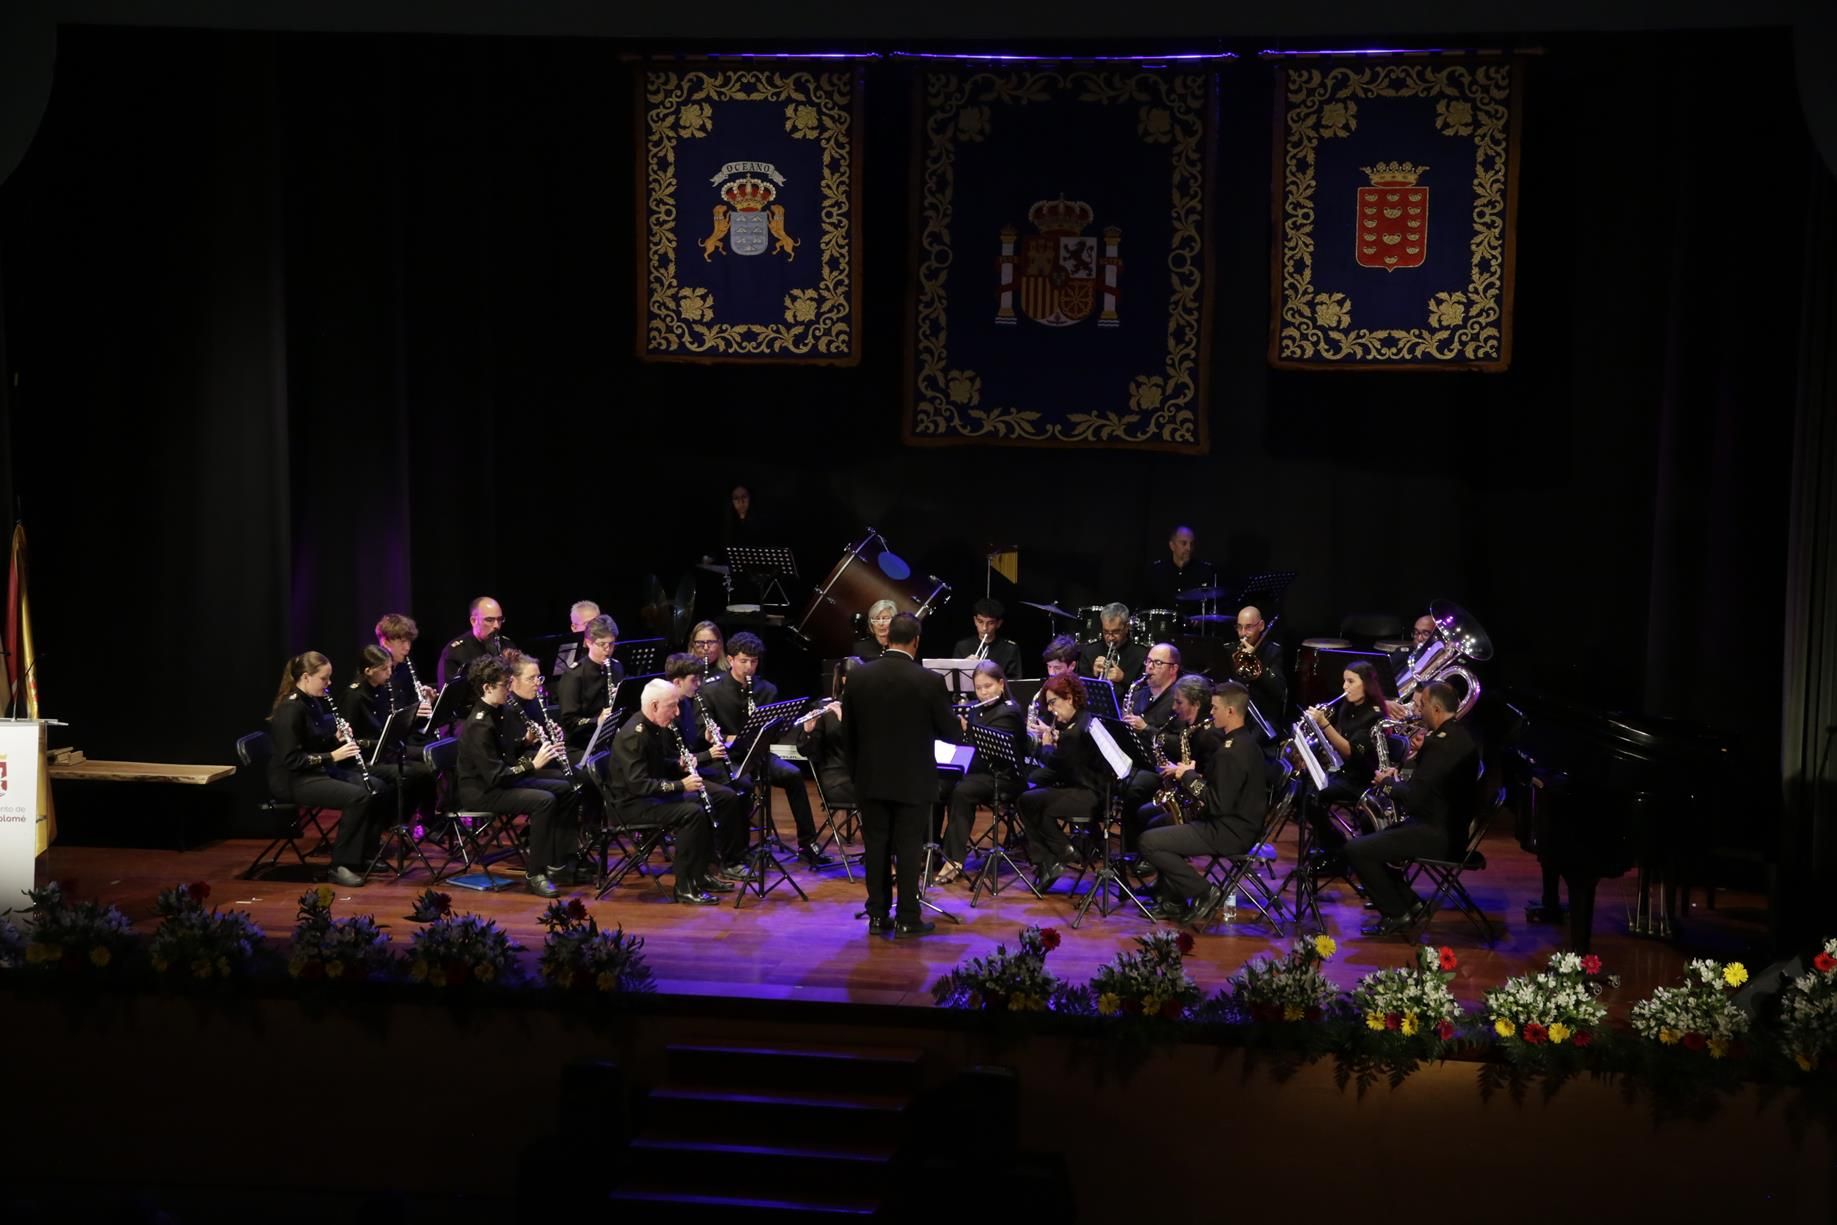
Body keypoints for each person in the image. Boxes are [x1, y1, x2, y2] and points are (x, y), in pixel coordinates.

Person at [842, 611, 958, 937]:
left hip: (870, 779)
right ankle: (908, 917)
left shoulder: (860, 678)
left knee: (876, 847)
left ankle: (877, 915)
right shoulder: (929, 681)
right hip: (913, 780)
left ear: (887, 636)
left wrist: (857, 775)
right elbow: (950, 734)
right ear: (916, 642)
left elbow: (847, 735)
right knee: (908, 848)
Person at [1344, 681, 1480, 936]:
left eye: (1423, 705)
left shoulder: (1441, 746)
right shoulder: (1457, 737)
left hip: (1438, 835)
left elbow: (1414, 800)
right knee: (1371, 833)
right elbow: (1430, 787)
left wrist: (1387, 784)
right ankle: (1411, 903)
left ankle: (1397, 914)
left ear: (1436, 709)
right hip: (1446, 827)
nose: (1419, 711)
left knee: (1356, 849)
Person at [703, 632, 834, 869]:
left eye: (753, 662)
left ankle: (807, 844)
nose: (749, 667)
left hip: (759, 756)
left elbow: (776, 730)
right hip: (728, 758)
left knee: (793, 775)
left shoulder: (767, 689)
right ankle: (739, 852)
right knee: (741, 785)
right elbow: (707, 732)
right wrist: (729, 737)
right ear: (731, 660)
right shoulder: (711, 691)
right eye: (743, 661)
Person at [1139, 681, 1267, 923]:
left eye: (1216, 708)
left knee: (1149, 842)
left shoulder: (1232, 752)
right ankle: (1172, 899)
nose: (1211, 712)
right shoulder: (1242, 742)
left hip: (1229, 831)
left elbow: (1217, 804)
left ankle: (1204, 892)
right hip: (1231, 822)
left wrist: (1188, 776)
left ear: (1230, 711)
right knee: (1160, 823)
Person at [458, 655, 583, 898]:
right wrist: (533, 765)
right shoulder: (478, 725)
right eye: (505, 685)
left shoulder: (498, 712)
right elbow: (495, 776)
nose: (508, 689)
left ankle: (559, 861)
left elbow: (504, 754)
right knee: (543, 800)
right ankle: (535, 873)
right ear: (487, 687)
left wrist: (525, 742)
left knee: (568, 788)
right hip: (481, 792)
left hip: (500, 782)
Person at [269, 651, 392, 888]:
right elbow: (293, 760)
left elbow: (314, 742)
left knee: (377, 787)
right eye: (324, 679)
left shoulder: (312, 701)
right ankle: (340, 866)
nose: (329, 684)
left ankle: (365, 854)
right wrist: (332, 755)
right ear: (306, 677)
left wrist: (335, 738)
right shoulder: (290, 710)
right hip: (292, 780)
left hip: (313, 772)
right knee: (358, 797)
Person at [933, 660, 1027, 886]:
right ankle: (934, 848)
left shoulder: (1010, 711)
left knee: (962, 792)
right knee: (938, 784)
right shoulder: (977, 710)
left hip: (1005, 776)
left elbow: (991, 753)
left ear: (1001, 685)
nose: (983, 693)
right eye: (979, 688)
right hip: (979, 772)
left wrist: (968, 731)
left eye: (988, 686)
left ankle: (954, 859)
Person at [1018, 674, 1109, 893]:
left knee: (1030, 803)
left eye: (1053, 702)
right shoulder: (1084, 719)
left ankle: (1060, 853)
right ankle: (1051, 860)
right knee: (1031, 800)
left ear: (1069, 698)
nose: (1050, 709)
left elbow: (1060, 766)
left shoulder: (1074, 731)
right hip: (1091, 791)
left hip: (1087, 796)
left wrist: (1046, 745)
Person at [664, 652, 751, 874]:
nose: (699, 685)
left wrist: (707, 738)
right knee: (727, 795)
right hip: (675, 776)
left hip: (692, 766)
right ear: (677, 682)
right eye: (694, 680)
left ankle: (734, 850)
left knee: (740, 783)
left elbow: (689, 745)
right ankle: (728, 860)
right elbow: (674, 761)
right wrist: (709, 755)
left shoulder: (686, 705)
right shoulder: (667, 711)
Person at [1299, 661, 1393, 866]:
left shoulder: (1374, 716)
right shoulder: (1348, 707)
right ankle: (1333, 846)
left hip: (1363, 780)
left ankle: (1337, 851)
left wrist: (1323, 724)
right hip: (1345, 773)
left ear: (1366, 684)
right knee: (1301, 789)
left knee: (1313, 797)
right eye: (1344, 681)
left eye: (1350, 681)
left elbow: (1350, 751)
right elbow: (1337, 743)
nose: (1344, 687)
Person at [336, 645, 435, 822]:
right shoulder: (354, 696)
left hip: (383, 752)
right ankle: (392, 822)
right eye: (384, 669)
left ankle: (417, 820)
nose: (389, 673)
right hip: (363, 760)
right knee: (412, 775)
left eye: (390, 667)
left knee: (427, 768)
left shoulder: (382, 690)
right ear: (368, 671)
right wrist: (381, 742)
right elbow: (348, 739)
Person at [1125, 672, 1214, 853]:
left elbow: (1212, 779)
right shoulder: (1191, 729)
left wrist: (1184, 773)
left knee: (1152, 822)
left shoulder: (1209, 735)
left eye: (1179, 702)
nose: (1174, 707)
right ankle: (1139, 857)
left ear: (1196, 704)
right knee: (1144, 812)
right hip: (1189, 791)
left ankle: (1154, 858)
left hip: (1203, 806)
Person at [1115, 642, 1185, 848]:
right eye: (1148, 661)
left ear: (1173, 669)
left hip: (1163, 769)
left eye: (1157, 663)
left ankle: (1135, 848)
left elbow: (1181, 742)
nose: (1149, 667)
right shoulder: (1138, 693)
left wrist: (1146, 728)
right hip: (1135, 761)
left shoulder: (1179, 699)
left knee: (1133, 787)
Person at [797, 656, 862, 810]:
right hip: (838, 779)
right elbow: (806, 751)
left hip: (864, 777)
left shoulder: (869, 708)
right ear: (845, 680)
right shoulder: (826, 709)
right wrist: (808, 731)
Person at [555, 615, 626, 749]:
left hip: (610, 739)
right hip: (581, 744)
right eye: (601, 644)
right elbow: (569, 722)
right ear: (588, 642)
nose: (608, 649)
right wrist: (597, 721)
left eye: (611, 644)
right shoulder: (574, 675)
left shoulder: (617, 667)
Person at [437, 596, 515, 718]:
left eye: (500, 620)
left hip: (506, 713)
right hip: (470, 718)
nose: (496, 626)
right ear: (473, 621)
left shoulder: (507, 644)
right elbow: (449, 702)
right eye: (489, 620)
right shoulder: (455, 652)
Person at [1231, 605, 1287, 724]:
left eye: (1248, 627)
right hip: (1236, 714)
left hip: (1262, 718)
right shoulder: (1232, 649)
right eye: (1239, 627)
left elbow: (1279, 690)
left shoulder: (1274, 651)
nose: (1243, 633)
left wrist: (1253, 659)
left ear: (1261, 626)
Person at [1141, 524, 1219, 608]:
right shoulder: (1156, 571)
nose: (1189, 548)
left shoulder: (1204, 571)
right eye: (1184, 543)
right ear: (1172, 545)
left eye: (1191, 544)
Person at [375, 613, 436, 722]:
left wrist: (426, 701)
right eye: (402, 642)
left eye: (409, 641)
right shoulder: (376, 674)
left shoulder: (406, 666)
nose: (407, 647)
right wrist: (412, 713)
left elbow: (411, 705)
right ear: (385, 641)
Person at [952, 598, 1023, 678]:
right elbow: (955, 681)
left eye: (991, 623)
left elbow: (1014, 683)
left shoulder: (1010, 648)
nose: (984, 628)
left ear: (998, 624)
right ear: (975, 620)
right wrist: (964, 666)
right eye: (980, 621)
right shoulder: (962, 646)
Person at [1079, 602, 1147, 684]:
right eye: (1106, 632)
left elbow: (1146, 691)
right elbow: (1080, 689)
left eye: (1116, 632)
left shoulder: (1141, 655)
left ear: (1127, 627)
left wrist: (1123, 678)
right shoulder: (1089, 652)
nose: (1110, 637)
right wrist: (1093, 676)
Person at [551, 601, 604, 676]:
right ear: (574, 628)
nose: (593, 628)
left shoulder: (607, 648)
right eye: (587, 623)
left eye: (596, 622)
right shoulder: (563, 654)